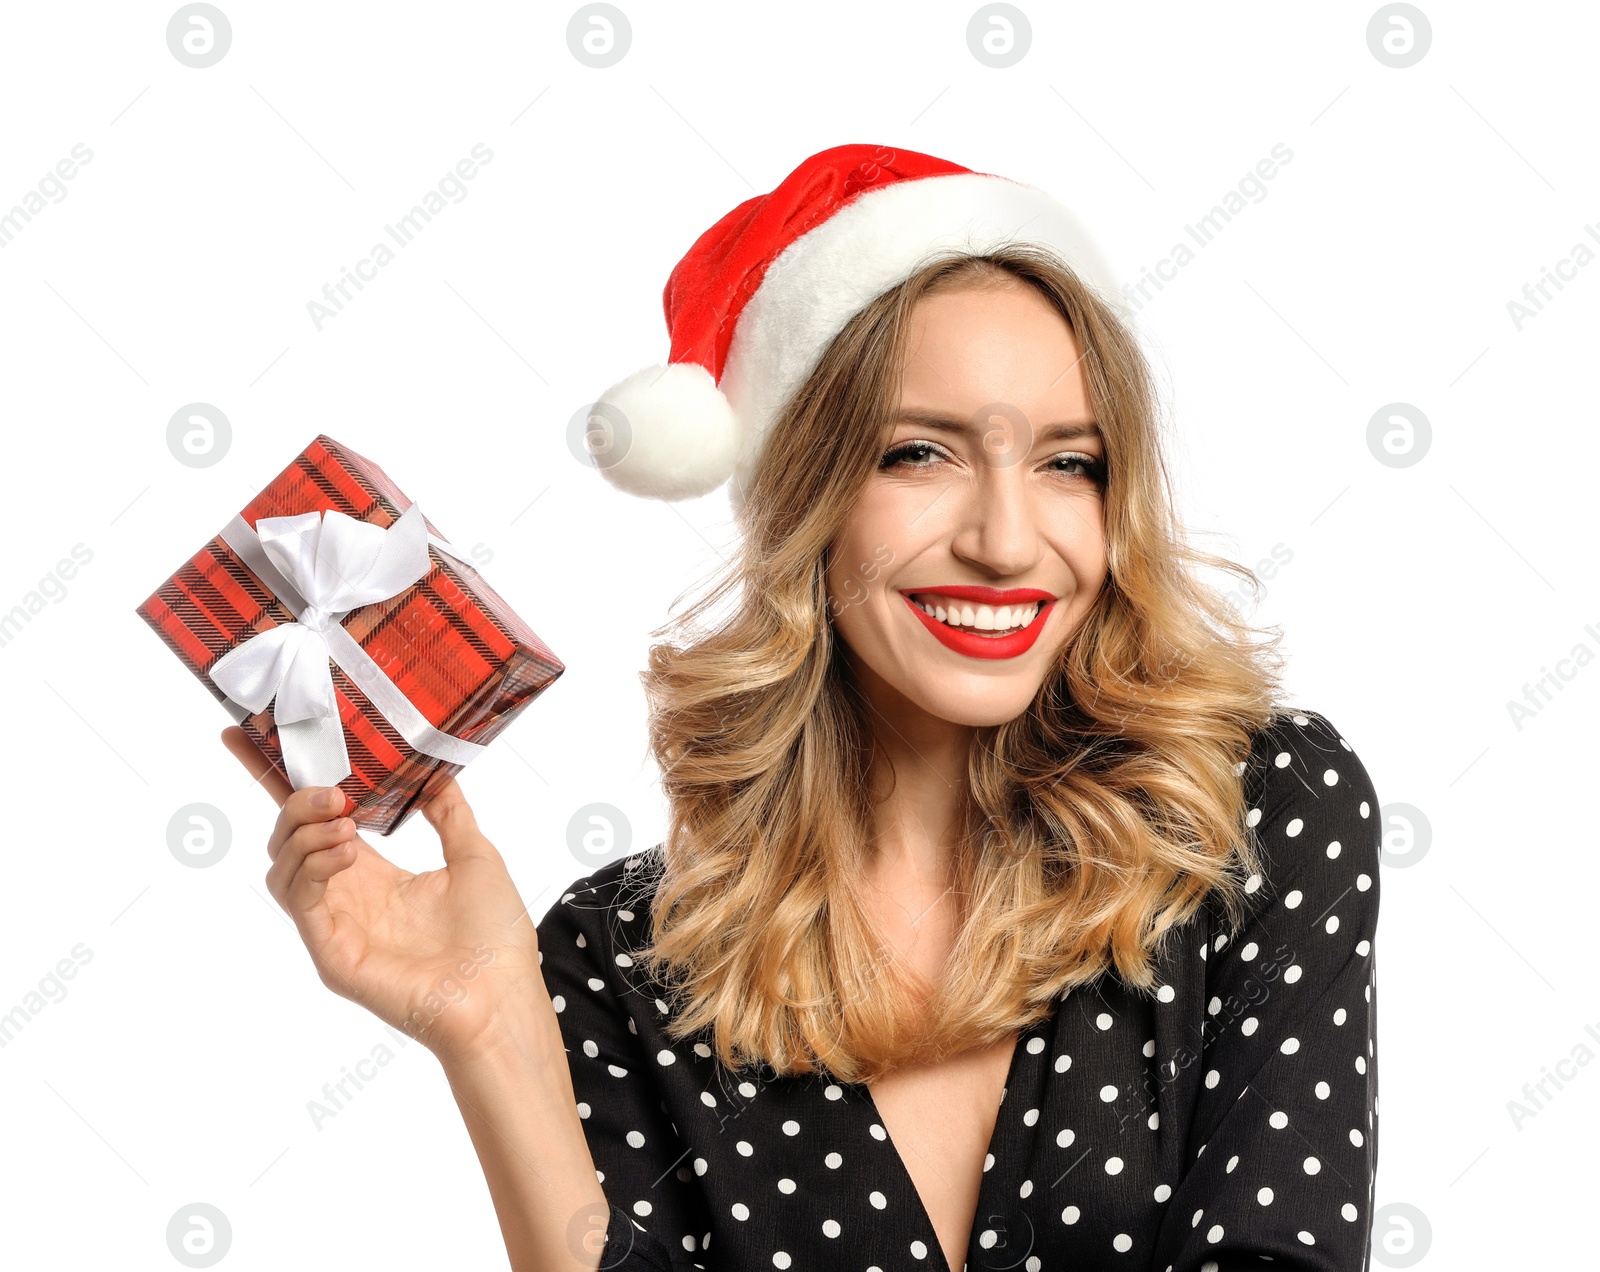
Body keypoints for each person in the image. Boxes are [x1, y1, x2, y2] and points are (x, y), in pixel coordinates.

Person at [224, 144, 1381, 1272]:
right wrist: (489, 1032)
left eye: (1067, 464)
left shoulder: (1256, 816)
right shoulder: (620, 955)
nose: (1005, 541)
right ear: (803, 497)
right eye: (919, 454)